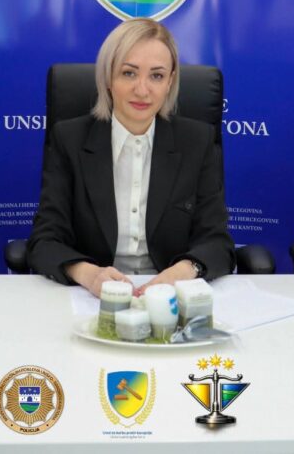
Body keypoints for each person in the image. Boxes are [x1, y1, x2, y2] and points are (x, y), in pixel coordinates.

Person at [28, 18, 235, 297]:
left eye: (156, 76)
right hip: (91, 296)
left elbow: (217, 242)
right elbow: (45, 241)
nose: (142, 90)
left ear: (170, 81)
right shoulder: (69, 139)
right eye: (129, 73)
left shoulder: (197, 141)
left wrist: (181, 273)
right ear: (108, 78)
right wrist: (90, 275)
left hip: (170, 298)